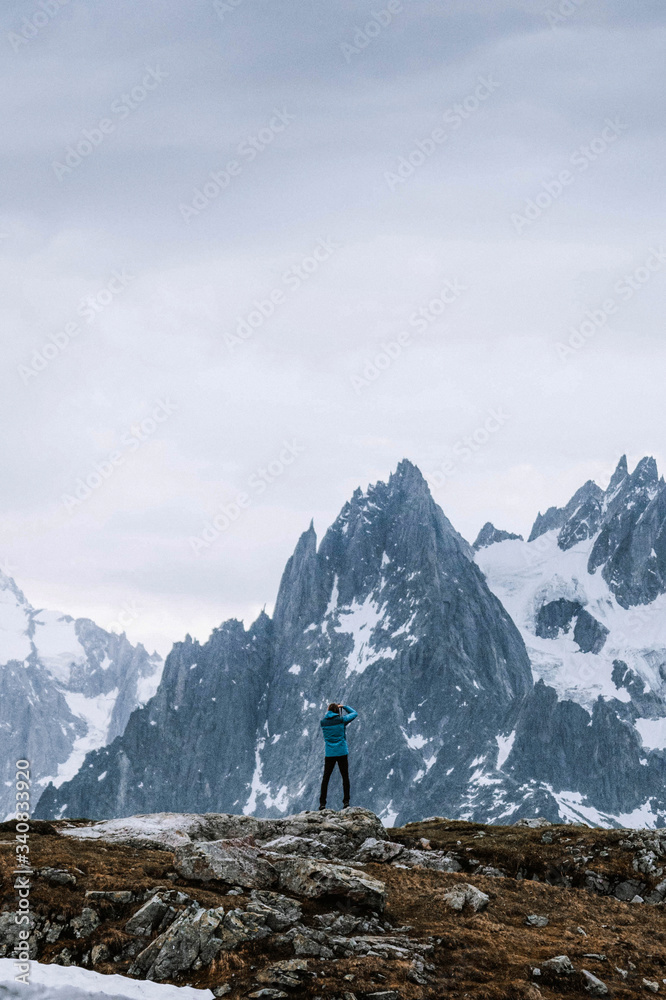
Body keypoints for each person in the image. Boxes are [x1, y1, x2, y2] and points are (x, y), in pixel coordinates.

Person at [319, 702, 358, 810]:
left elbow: (329, 719)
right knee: (345, 777)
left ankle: (322, 803)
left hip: (330, 753)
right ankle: (346, 801)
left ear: (328, 710)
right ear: (337, 710)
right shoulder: (341, 721)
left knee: (326, 778)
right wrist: (344, 706)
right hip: (342, 752)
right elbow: (354, 713)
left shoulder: (323, 723)